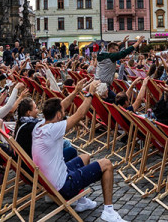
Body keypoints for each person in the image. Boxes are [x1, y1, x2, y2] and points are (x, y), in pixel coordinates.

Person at [32, 81, 126, 221]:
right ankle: (109, 211)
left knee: (85, 157)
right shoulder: (53, 130)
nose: (64, 113)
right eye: (62, 113)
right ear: (58, 116)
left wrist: (75, 92)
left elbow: (61, 105)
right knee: (106, 164)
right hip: (64, 185)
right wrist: (90, 93)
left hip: (49, 180)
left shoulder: (39, 126)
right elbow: (80, 114)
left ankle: (81, 202)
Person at [15, 79, 85, 162]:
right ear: (29, 112)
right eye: (35, 108)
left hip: (30, 158)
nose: (37, 110)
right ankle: (66, 170)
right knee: (70, 150)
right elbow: (76, 114)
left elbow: (57, 109)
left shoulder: (24, 122)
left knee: (64, 142)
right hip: (37, 162)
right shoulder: (31, 126)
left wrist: (75, 91)